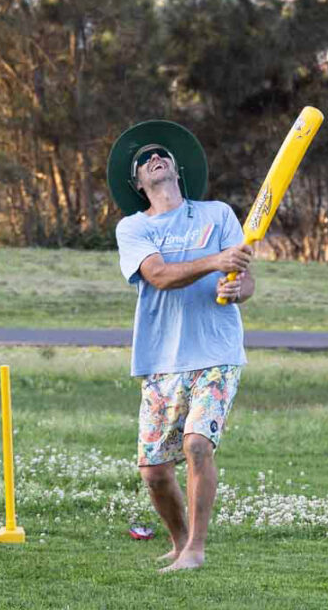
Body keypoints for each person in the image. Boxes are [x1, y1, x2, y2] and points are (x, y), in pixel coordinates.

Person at [109, 119, 255, 573]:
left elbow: (245, 279)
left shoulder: (218, 215)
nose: (155, 158)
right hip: (161, 357)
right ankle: (179, 542)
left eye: (161, 155)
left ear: (177, 169)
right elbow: (159, 276)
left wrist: (238, 288)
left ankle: (197, 550)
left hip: (216, 350)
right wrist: (215, 261)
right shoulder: (132, 228)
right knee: (153, 473)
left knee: (196, 444)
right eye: (144, 160)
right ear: (137, 183)